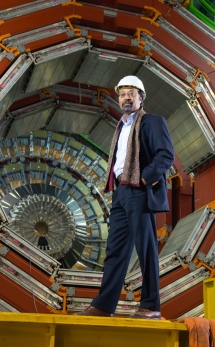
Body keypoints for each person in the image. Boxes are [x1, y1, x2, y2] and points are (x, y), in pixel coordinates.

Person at [75, 75, 174, 319]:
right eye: (122, 94)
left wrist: (143, 177)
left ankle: (151, 305)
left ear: (141, 98)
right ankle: (104, 305)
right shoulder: (120, 126)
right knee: (115, 250)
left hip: (139, 190)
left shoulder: (152, 122)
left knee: (145, 248)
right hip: (120, 192)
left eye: (131, 93)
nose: (126, 97)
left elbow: (166, 156)